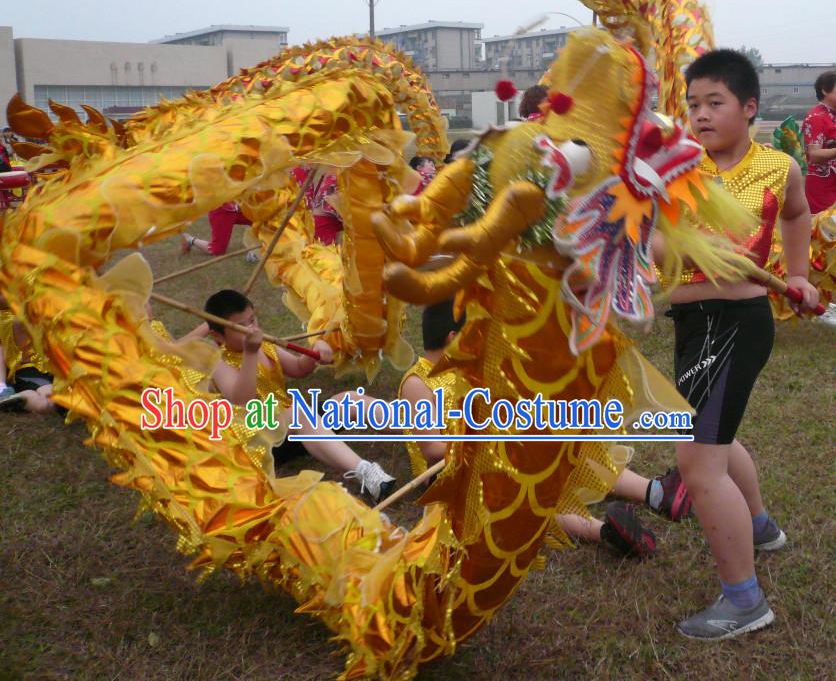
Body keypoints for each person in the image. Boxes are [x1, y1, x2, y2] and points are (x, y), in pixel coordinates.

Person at [660, 49, 819, 639]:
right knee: (720, 439)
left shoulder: (778, 168)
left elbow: (798, 215)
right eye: (693, 104)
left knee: (699, 466)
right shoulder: (677, 168)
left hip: (735, 325)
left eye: (714, 103)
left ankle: (745, 602)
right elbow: (651, 238)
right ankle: (759, 527)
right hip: (691, 323)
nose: (700, 115)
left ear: (749, 108)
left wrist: (797, 274)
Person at [396, 300, 692, 560]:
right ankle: (606, 533)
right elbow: (433, 450)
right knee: (518, 497)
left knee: (564, 445)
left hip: (492, 452)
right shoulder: (417, 384)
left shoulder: (470, 370)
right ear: (453, 338)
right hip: (455, 477)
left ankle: (655, 493)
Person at [203, 289, 396, 504]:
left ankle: (425, 429)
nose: (252, 329)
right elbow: (241, 399)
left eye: (252, 320)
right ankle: (365, 472)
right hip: (261, 441)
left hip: (296, 424)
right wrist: (250, 353)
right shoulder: (217, 361)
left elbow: (297, 368)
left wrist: (315, 352)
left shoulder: (264, 345)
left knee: (349, 400)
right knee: (298, 413)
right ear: (218, 336)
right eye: (242, 327)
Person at [0, 304, 56, 413]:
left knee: (53, 401)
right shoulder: (9, 319)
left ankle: (17, 398)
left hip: (48, 370)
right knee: (49, 403)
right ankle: (17, 399)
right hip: (30, 371)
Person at [801, 70, 836, 213]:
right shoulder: (816, 117)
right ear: (825, 91)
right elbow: (814, 154)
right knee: (825, 230)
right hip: (822, 186)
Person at [181, 202, 253, 257]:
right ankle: (189, 239)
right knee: (217, 250)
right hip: (223, 211)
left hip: (242, 207)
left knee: (261, 219)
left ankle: (257, 249)